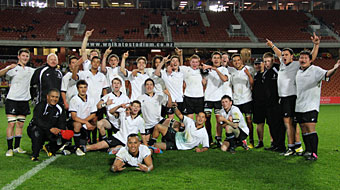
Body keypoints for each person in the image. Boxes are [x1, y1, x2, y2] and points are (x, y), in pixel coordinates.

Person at [266, 32, 320, 155]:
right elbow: (279, 53)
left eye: (286, 55)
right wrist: (272, 46)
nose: (284, 57)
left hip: (290, 98)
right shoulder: (283, 64)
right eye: (283, 55)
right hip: (283, 99)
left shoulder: (296, 65)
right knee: (291, 124)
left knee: (289, 123)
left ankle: (292, 147)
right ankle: (297, 146)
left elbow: (311, 57)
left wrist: (316, 45)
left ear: (292, 57)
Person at [295, 50, 339, 161]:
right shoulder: (298, 71)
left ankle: (314, 153)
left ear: (310, 60)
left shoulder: (315, 70)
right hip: (299, 105)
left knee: (310, 129)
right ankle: (307, 150)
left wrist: (335, 68)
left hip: (311, 105)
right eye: (301, 57)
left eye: (305, 58)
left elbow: (327, 74)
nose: (303, 60)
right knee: (303, 129)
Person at [0, 48, 35, 156]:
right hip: (12, 100)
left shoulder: (30, 70)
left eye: (27, 56)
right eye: (23, 56)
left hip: (24, 101)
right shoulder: (13, 69)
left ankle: (17, 147)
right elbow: (1, 73)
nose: (25, 58)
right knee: (11, 124)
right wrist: (8, 67)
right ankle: (9, 148)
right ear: (18, 57)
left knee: (20, 124)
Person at [72, 55, 109, 144]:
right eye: (94, 62)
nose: (96, 64)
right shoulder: (84, 73)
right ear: (91, 63)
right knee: (88, 121)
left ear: (99, 64)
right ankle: (87, 139)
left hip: (98, 104)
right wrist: (76, 65)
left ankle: (97, 141)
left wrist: (104, 102)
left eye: (97, 62)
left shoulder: (102, 76)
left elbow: (104, 91)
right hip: (86, 103)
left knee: (96, 122)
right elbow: (74, 77)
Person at [27, 89, 66, 161]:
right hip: (36, 129)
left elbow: (62, 122)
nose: (54, 99)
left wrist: (59, 130)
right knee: (37, 132)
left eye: (56, 97)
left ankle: (50, 148)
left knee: (66, 134)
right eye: (52, 96)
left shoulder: (60, 108)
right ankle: (35, 155)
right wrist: (50, 128)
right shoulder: (40, 105)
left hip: (51, 131)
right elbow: (37, 120)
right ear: (48, 97)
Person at [203, 51, 229, 146]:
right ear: (212, 59)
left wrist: (215, 69)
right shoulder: (207, 70)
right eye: (214, 58)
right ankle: (209, 138)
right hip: (208, 98)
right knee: (207, 119)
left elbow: (224, 79)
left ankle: (218, 139)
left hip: (219, 98)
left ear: (221, 60)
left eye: (218, 58)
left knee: (219, 120)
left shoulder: (223, 69)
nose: (216, 59)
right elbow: (204, 81)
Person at [262, 52, 286, 152]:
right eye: (265, 61)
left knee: (279, 125)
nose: (267, 63)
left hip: (277, 103)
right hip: (268, 104)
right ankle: (275, 144)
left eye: (268, 61)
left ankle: (281, 146)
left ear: (273, 60)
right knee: (271, 124)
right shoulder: (264, 73)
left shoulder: (278, 68)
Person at [230, 54, 254, 148]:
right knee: (237, 122)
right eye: (234, 61)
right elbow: (231, 85)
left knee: (248, 121)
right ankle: (240, 141)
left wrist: (248, 75)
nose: (236, 62)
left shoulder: (248, 69)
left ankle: (251, 140)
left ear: (241, 60)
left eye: (238, 60)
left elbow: (252, 84)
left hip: (247, 99)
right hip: (236, 100)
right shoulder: (232, 72)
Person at [69, 80, 97, 156]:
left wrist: (85, 121)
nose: (83, 89)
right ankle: (77, 147)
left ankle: (92, 141)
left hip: (85, 121)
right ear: (77, 89)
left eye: (85, 87)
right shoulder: (74, 100)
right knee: (78, 124)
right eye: (81, 87)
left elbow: (93, 114)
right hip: (75, 122)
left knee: (95, 120)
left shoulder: (91, 99)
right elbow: (74, 117)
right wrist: (85, 122)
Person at [252, 58, 266, 148]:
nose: (258, 65)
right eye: (256, 64)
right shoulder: (255, 75)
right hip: (257, 103)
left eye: (259, 64)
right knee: (259, 123)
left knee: (272, 123)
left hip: (268, 103)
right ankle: (260, 141)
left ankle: (274, 141)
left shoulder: (267, 74)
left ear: (263, 64)